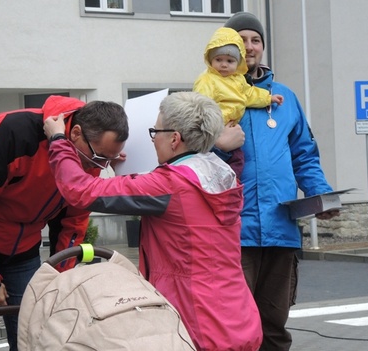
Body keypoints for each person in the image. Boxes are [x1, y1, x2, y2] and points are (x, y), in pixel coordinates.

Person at [44, 91, 263, 351]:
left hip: (194, 324)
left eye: (155, 131)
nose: (152, 139)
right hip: (238, 317)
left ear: (174, 139)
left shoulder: (169, 185)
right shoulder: (222, 173)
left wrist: (58, 140)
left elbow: (80, 191)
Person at [0, 95, 129, 351]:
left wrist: (57, 281)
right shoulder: (11, 132)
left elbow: (74, 223)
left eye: (108, 161)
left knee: (32, 333)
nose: (100, 167)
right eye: (99, 159)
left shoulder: (89, 154)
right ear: (76, 132)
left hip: (22, 245)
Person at [212, 12, 340, 350]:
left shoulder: (285, 98)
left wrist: (319, 195)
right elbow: (191, 161)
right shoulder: (209, 95)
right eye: (241, 39)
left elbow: (304, 155)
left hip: (280, 229)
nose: (249, 46)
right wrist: (221, 148)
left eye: (256, 40)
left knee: (274, 323)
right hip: (232, 231)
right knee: (233, 325)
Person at [193, 26, 283, 177]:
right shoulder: (207, 79)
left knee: (237, 162)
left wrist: (269, 98)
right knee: (214, 168)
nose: (223, 64)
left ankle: (233, 187)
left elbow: (250, 94)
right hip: (214, 129)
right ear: (210, 59)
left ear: (238, 62)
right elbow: (200, 104)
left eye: (229, 61)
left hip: (233, 129)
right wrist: (211, 131)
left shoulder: (239, 80)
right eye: (218, 59)